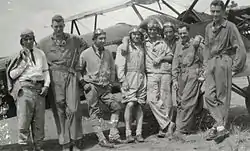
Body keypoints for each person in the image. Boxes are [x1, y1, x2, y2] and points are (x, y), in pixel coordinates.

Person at [38, 15, 88, 151]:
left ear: (64, 26)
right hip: (54, 77)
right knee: (59, 110)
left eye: (61, 26)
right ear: (52, 27)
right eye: (56, 27)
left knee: (74, 109)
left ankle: (76, 139)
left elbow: (85, 46)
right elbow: (36, 56)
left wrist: (78, 63)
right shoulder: (43, 43)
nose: (58, 29)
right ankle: (65, 142)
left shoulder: (73, 39)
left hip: (70, 75)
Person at [204, 0, 246, 143]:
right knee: (209, 96)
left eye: (217, 11)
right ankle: (221, 126)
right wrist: (205, 64)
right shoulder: (209, 27)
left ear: (223, 12)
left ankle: (218, 128)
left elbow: (240, 47)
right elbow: (206, 47)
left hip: (224, 61)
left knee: (222, 97)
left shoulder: (230, 26)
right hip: (211, 62)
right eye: (212, 11)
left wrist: (236, 67)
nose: (214, 14)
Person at [79, 28, 125, 148]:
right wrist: (84, 84)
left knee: (116, 107)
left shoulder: (108, 53)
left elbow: (112, 68)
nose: (103, 40)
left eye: (104, 38)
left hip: (105, 87)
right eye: (100, 38)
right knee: (95, 112)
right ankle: (101, 138)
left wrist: (110, 83)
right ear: (94, 40)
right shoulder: (85, 53)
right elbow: (78, 70)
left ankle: (113, 135)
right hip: (92, 86)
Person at [7, 29, 50, 151]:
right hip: (24, 90)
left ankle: (39, 147)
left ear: (34, 39)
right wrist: (24, 63)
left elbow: (45, 71)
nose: (29, 41)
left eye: (31, 38)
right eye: (26, 39)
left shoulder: (40, 53)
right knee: (24, 120)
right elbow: (12, 75)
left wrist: (46, 85)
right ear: (22, 41)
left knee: (39, 121)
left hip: (39, 89)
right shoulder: (18, 55)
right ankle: (25, 148)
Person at [172, 24, 205, 140]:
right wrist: (175, 79)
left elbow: (204, 59)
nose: (182, 35)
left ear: (188, 32)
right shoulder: (178, 45)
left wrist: (202, 74)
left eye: (184, 33)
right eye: (180, 33)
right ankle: (181, 128)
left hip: (192, 74)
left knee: (188, 101)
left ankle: (181, 130)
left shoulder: (196, 44)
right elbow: (175, 63)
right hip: (182, 75)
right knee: (180, 103)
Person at [144, 19, 175, 138]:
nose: (152, 31)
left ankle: (164, 128)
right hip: (152, 73)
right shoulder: (144, 43)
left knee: (166, 99)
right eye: (150, 29)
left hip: (165, 72)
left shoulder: (163, 42)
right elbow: (128, 38)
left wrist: (161, 58)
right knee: (152, 99)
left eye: (154, 29)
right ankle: (167, 124)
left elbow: (171, 56)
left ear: (157, 31)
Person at [115, 27, 146, 143]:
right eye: (134, 34)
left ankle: (139, 133)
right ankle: (128, 133)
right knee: (130, 104)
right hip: (129, 77)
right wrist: (123, 79)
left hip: (141, 78)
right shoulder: (123, 47)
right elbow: (119, 64)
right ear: (130, 35)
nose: (136, 37)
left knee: (139, 105)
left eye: (138, 35)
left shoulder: (142, 47)